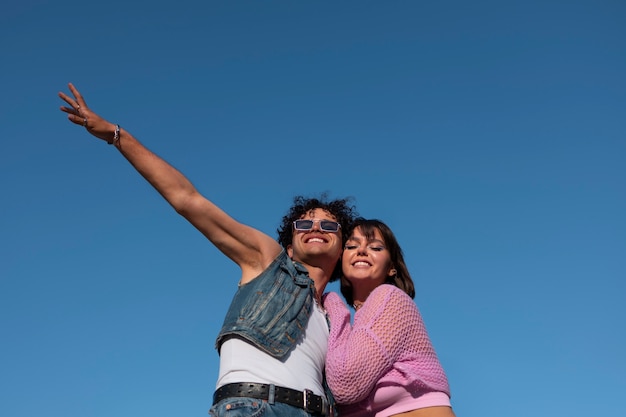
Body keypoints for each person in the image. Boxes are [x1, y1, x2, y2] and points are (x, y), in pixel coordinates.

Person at [58, 83, 358, 417]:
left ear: (343, 246)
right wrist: (117, 136)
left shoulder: (336, 322)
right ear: (289, 246)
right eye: (305, 224)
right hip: (256, 407)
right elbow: (188, 200)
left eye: (329, 225)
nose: (316, 228)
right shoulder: (268, 261)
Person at [324, 218, 455, 417]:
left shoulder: (389, 298)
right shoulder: (353, 330)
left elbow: (346, 383)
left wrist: (334, 305)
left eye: (376, 248)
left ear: (392, 267)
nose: (362, 251)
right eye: (352, 245)